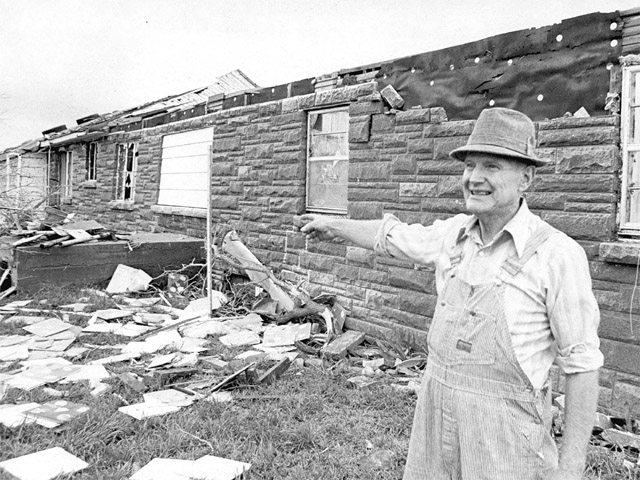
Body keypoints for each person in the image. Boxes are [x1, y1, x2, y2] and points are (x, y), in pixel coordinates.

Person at [297, 107, 603, 480]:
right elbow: (391, 237)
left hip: (505, 439)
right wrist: (333, 224)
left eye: (491, 166)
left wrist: (571, 468)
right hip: (436, 418)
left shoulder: (557, 256)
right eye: (469, 166)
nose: (474, 178)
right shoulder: (454, 234)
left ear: (526, 178)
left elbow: (582, 366)